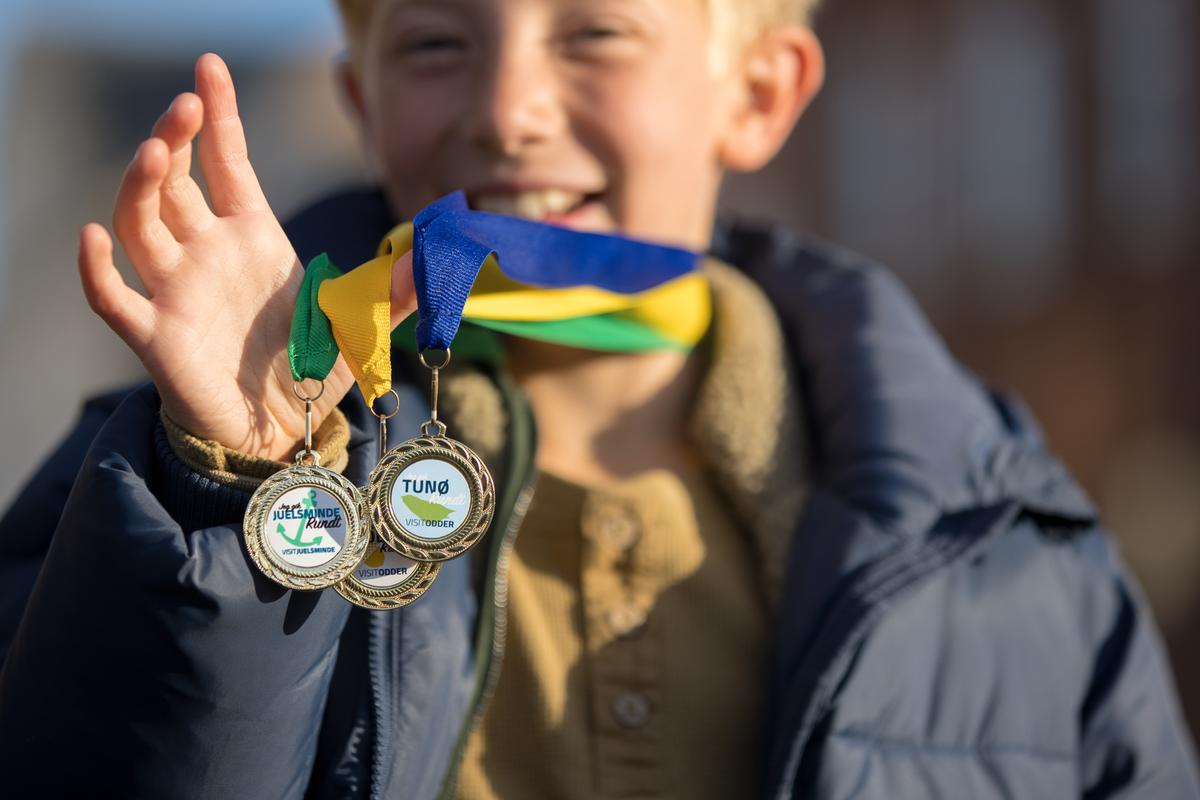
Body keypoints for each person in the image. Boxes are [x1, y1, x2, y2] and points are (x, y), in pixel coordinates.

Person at [0, 0, 1196, 797]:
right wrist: (241, 485)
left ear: (760, 92)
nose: (508, 107)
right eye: (432, 42)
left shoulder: (1009, 550)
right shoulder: (157, 468)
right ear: (360, 101)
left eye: (596, 33)